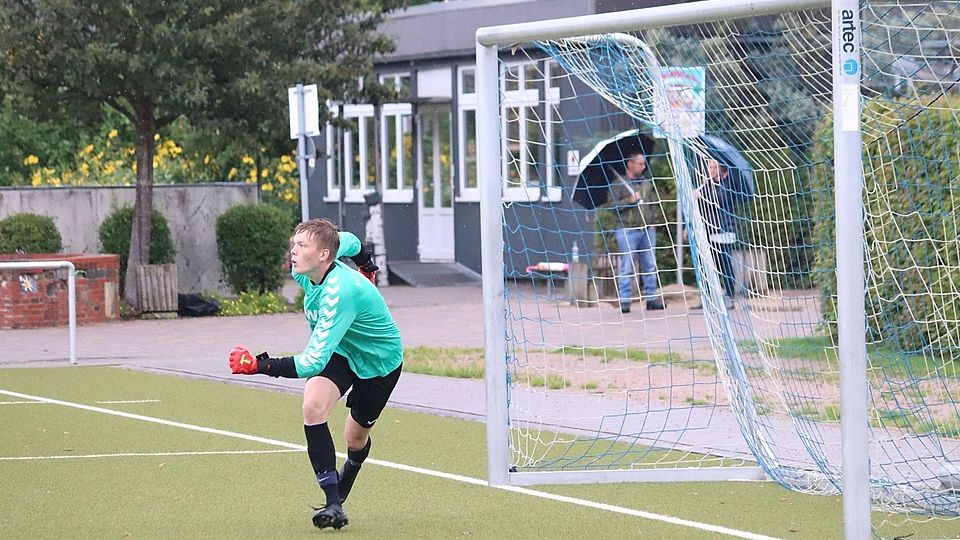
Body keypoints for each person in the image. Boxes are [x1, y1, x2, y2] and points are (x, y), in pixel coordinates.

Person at [228, 218, 402, 530]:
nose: (293, 250)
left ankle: (347, 477)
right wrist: (366, 264)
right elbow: (350, 241)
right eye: (294, 243)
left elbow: (310, 362)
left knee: (355, 438)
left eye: (302, 245)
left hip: (379, 361)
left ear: (323, 255)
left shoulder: (339, 293)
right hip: (340, 350)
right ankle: (334, 504)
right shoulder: (307, 268)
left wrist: (258, 365)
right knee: (312, 407)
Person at [600, 148, 666, 313]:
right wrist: (629, 200)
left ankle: (651, 299)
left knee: (650, 265)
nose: (643, 167)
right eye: (640, 164)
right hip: (627, 230)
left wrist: (653, 222)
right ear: (630, 164)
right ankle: (625, 301)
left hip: (647, 230)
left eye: (644, 164)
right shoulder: (618, 184)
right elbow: (612, 206)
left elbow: (652, 203)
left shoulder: (646, 183)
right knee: (627, 267)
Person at [695, 158, 739, 310]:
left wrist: (702, 196)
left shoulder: (726, 185)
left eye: (715, 167)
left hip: (724, 230)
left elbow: (720, 200)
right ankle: (708, 296)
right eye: (710, 167)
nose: (712, 170)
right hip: (708, 231)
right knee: (708, 265)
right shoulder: (705, 185)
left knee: (726, 265)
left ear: (720, 169)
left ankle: (730, 297)